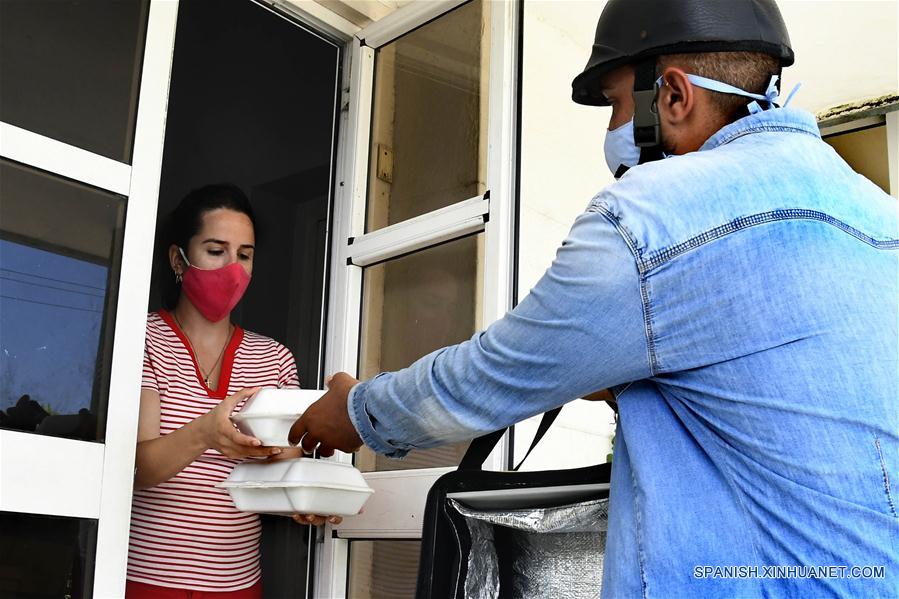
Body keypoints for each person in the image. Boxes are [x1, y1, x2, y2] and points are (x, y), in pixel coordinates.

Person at [291, 0, 898, 596]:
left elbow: (493, 375)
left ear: (674, 96)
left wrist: (356, 411)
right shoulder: (878, 213)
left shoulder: (655, 213)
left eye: (612, 105)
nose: (611, 133)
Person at [127, 184, 339, 598]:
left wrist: (308, 493)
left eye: (244, 255)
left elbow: (283, 465)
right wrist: (206, 433)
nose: (233, 268)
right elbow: (136, 468)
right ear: (178, 259)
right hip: (143, 578)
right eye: (215, 250)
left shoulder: (274, 357)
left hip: (237, 585)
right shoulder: (143, 338)